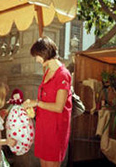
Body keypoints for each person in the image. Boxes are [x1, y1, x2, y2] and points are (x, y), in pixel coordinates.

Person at [22, 36, 72, 167]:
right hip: (44, 126)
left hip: (55, 129)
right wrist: (34, 111)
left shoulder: (63, 75)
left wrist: (36, 103)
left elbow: (58, 107)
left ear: (45, 53)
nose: (37, 59)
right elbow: (45, 98)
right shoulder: (48, 71)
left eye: (37, 56)